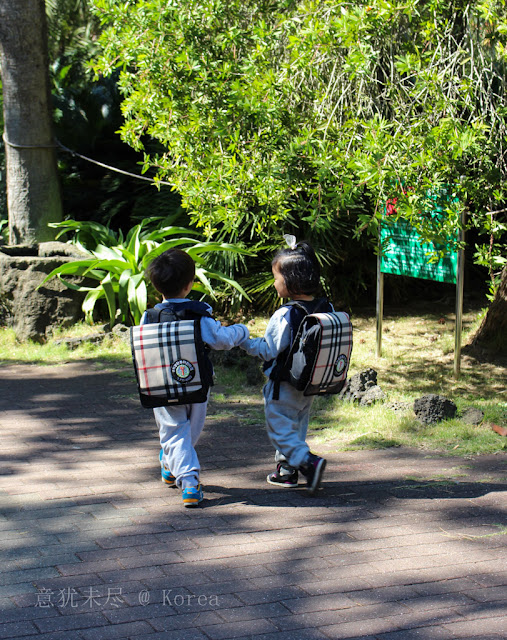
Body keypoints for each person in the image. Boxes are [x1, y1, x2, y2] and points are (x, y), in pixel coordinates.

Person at [141, 248, 249, 508]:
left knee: (174, 431)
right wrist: (242, 331)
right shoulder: (199, 315)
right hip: (197, 383)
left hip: (161, 384)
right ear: (190, 285)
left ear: (156, 287)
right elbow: (220, 340)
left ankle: (171, 463)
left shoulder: (150, 316)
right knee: (190, 430)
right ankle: (189, 481)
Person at [240, 236, 331, 494]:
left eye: (276, 277)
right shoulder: (325, 306)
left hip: (284, 383)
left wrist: (244, 342)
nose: (274, 282)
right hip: (310, 381)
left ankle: (308, 463)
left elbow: (268, 349)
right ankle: (286, 471)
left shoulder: (285, 314)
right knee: (296, 426)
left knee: (280, 429)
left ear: (290, 281)